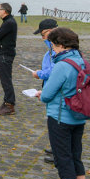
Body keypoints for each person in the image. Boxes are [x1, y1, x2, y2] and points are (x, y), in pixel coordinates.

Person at [39, 27, 90, 179]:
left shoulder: (62, 65)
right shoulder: (82, 61)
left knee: (63, 159)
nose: (52, 49)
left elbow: (46, 95)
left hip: (60, 118)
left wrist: (40, 94)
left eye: (53, 45)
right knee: (76, 156)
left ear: (61, 45)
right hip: (79, 117)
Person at [32, 18, 59, 164]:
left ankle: (59, 153)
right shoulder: (51, 47)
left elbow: (56, 70)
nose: (42, 38)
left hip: (56, 90)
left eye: (43, 35)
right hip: (50, 87)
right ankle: (56, 148)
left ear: (50, 32)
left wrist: (40, 74)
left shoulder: (58, 48)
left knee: (57, 121)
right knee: (52, 120)